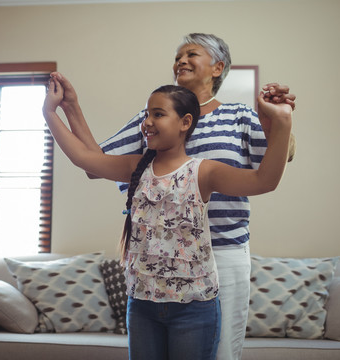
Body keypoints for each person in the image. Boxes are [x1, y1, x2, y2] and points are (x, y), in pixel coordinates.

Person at [50, 33, 296, 360]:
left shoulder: (238, 116)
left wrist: (278, 122)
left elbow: (282, 156)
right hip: (160, 263)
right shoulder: (153, 121)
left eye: (191, 54)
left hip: (223, 252)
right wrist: (70, 107)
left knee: (220, 353)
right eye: (177, 56)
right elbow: (96, 162)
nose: (180, 60)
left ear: (217, 67)